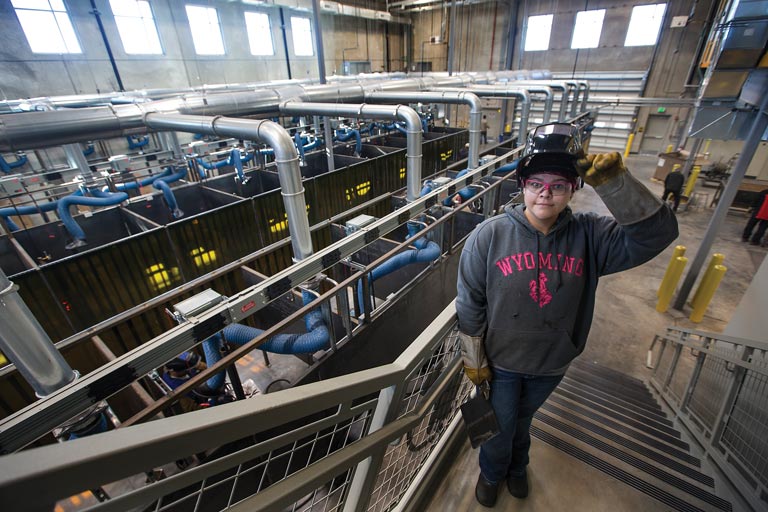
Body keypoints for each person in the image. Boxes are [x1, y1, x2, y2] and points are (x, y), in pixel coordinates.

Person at [456, 122, 678, 507]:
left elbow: (657, 235)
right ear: (522, 185)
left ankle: (517, 466)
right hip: (501, 364)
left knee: (520, 422)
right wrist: (474, 359)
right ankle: (494, 473)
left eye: (558, 184)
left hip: (552, 364)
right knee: (500, 427)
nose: (546, 193)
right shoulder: (489, 236)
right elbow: (470, 300)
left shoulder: (592, 237)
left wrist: (616, 184)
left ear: (574, 188)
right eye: (536, 183)